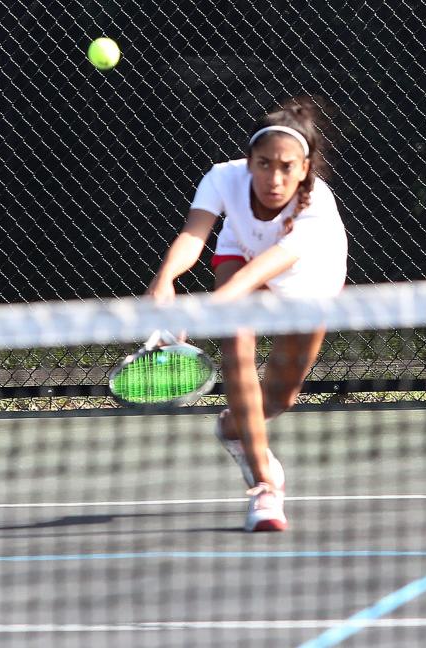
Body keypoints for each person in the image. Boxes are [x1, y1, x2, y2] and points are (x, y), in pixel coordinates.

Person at [146, 97, 347, 532]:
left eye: (286, 167)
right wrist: (164, 282)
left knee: (279, 398)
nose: (273, 178)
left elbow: (265, 268)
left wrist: (203, 311)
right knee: (236, 346)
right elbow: (193, 234)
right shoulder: (224, 178)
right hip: (241, 248)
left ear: (305, 169)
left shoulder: (315, 208)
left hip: (308, 278)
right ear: (249, 160)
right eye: (263, 164)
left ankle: (235, 426)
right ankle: (265, 489)